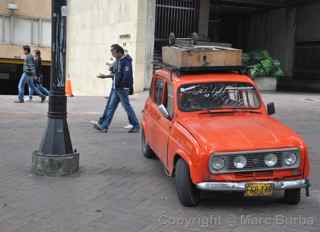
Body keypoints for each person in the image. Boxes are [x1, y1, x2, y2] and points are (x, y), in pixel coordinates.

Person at [94, 44, 140, 133]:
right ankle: (104, 126)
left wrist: (121, 85)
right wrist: (106, 76)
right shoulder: (119, 61)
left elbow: (126, 76)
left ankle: (136, 125)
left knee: (127, 107)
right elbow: (116, 75)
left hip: (121, 88)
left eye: (113, 52)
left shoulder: (125, 62)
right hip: (117, 88)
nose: (112, 55)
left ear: (119, 52)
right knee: (111, 107)